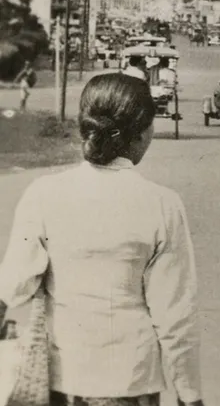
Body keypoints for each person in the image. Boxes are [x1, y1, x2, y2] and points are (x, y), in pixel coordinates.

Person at [0, 73, 204, 405]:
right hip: (131, 382)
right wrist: (190, 394)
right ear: (141, 134)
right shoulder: (162, 204)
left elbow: (11, 285)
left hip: (64, 381)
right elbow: (176, 317)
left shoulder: (43, 194)